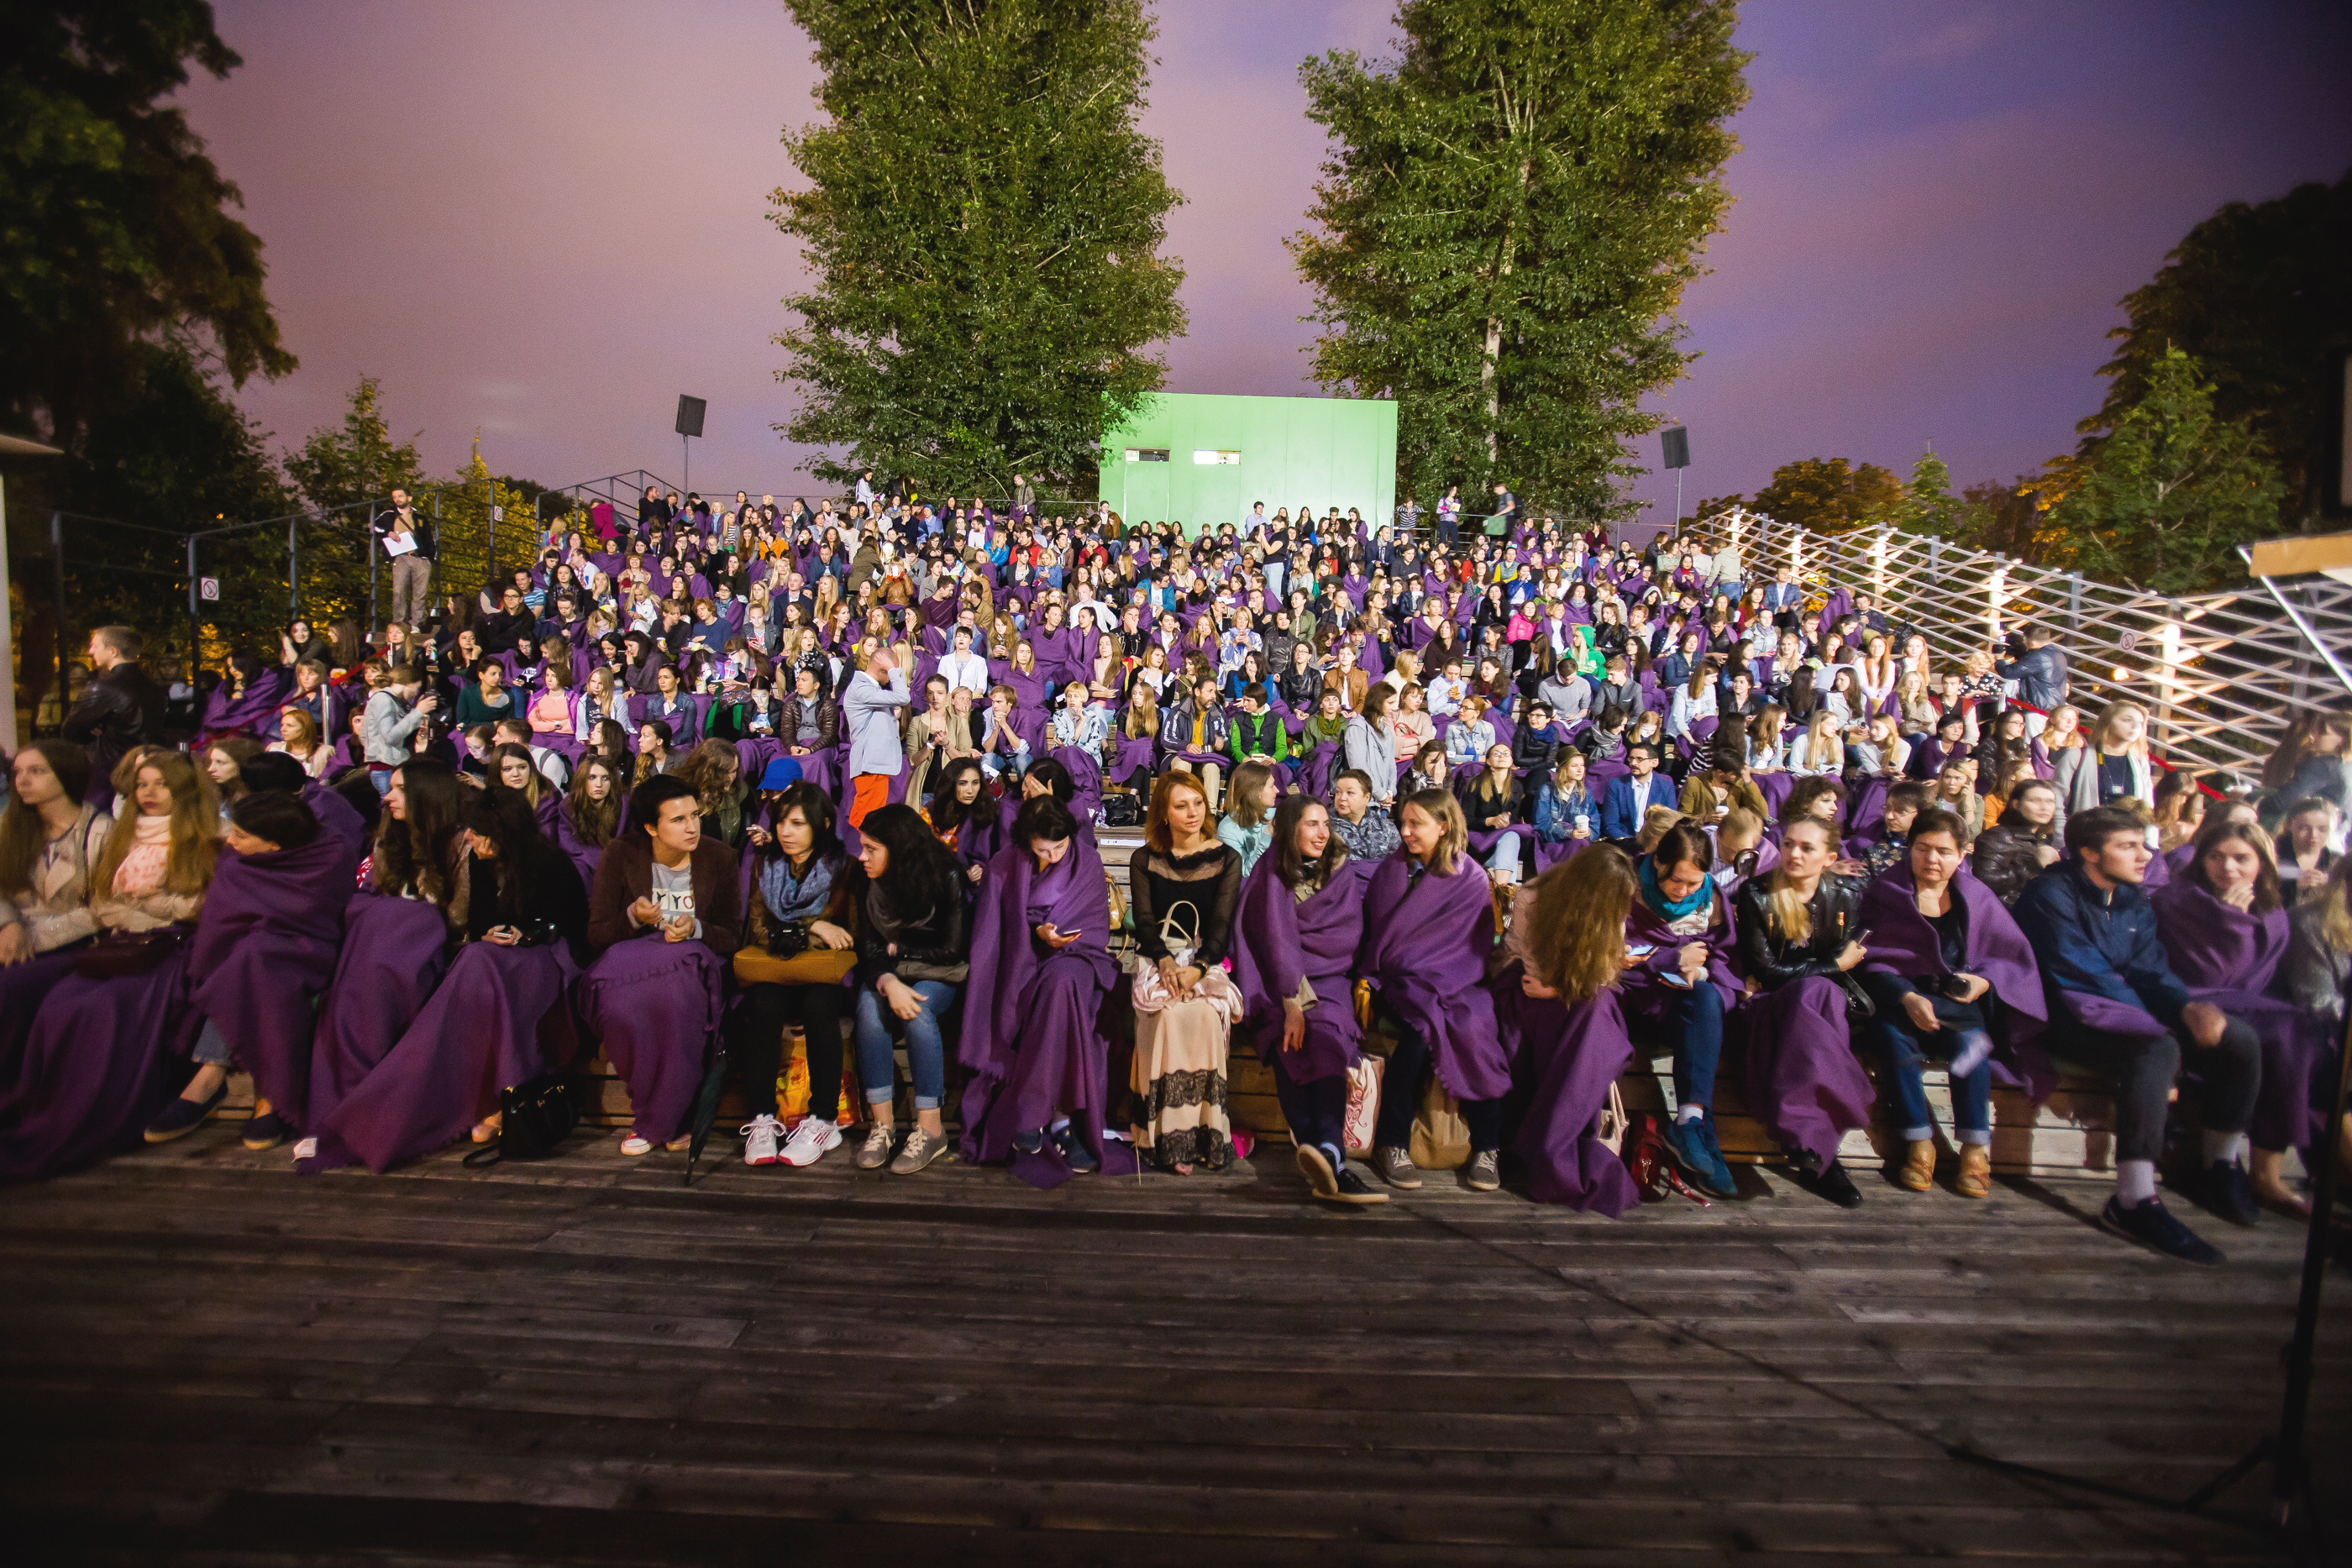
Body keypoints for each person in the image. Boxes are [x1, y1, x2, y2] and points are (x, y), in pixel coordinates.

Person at [2013, 805, 2263, 1264]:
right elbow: (2082, 975)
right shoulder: (2050, 895)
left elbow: (2151, 971)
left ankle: (2219, 1166)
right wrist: (2162, 1024)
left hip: (2122, 1012)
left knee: (2239, 1039)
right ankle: (2133, 1199)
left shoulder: (2131, 899)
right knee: (2156, 1047)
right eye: (2128, 846)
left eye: (2143, 844)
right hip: (2063, 1018)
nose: (2145, 855)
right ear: (2088, 852)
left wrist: (2187, 1007)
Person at [0, 751, 218, 1179]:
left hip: (169, 947)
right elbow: (104, 897)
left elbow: (207, 905)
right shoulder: (125, 834)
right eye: (142, 785)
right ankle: (33, 1107)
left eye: (161, 784)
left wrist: (150, 907)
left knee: (95, 1007)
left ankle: (73, 1119)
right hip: (117, 939)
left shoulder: (209, 835)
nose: (149, 793)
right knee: (60, 1004)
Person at [1858, 809, 2050, 1198]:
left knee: (1972, 1053)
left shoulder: (1976, 896)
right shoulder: (1887, 891)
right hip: (1901, 1000)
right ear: (1909, 848)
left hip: (1957, 1003)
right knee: (1897, 1048)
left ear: (1963, 854)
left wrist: (1983, 981)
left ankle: (1976, 1149)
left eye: (1944, 851)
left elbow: (2006, 954)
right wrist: (1906, 997)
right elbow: (1870, 957)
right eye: (1923, 848)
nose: (1932, 859)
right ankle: (1919, 1142)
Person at [164, 776, 357, 1152]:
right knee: (251, 960)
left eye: (240, 835)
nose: (230, 842)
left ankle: (212, 1075)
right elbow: (223, 917)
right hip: (250, 951)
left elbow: (316, 912)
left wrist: (266, 927)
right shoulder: (238, 861)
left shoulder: (329, 855)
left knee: (254, 959)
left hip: (309, 948)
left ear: (273, 845)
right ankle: (258, 1089)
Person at [2152, 816, 2329, 1219]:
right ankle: (2236, 1167)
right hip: (2192, 1001)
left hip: (2248, 1005)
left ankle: (2269, 1172)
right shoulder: (2177, 901)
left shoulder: (2270, 907)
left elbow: (2260, 979)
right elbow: (2213, 978)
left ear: (2261, 863)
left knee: (2301, 1035)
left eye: (2240, 858)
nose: (2227, 868)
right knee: (2290, 1031)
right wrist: (2227, 921)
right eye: (2216, 856)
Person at [582, 774, 745, 1158]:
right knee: (624, 1007)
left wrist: (697, 928)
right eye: (678, 820)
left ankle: (668, 1118)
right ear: (650, 827)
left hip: (691, 962)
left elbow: (733, 936)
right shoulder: (621, 853)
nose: (692, 827)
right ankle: (657, 1113)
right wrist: (633, 918)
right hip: (632, 963)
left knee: (677, 1003)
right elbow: (597, 933)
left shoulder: (720, 857)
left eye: (695, 815)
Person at [1231, 794, 1382, 1204]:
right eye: (1311, 825)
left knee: (1330, 1039)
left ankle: (1324, 1152)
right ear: (1291, 829)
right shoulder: (1271, 871)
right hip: (1275, 984)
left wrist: (1308, 996)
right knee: (1287, 1039)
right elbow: (1273, 939)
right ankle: (1331, 1159)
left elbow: (1345, 932)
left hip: (1329, 981)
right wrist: (1293, 1003)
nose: (1321, 833)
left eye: (1325, 825)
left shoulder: (1339, 870)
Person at [1360, 789, 1511, 1193]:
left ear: (1443, 827)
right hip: (1402, 979)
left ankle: (1487, 1146)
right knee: (1417, 1034)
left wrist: (1445, 976)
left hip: (1461, 980)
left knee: (1479, 1030)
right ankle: (1391, 1143)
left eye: (1416, 825)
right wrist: (1406, 967)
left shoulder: (1471, 877)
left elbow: (1475, 945)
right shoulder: (1392, 870)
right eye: (1403, 823)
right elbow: (1381, 935)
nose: (1405, 832)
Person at [959, 795, 1119, 1172]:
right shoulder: (1003, 866)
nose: (1052, 857)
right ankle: (1061, 1120)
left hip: (1079, 957)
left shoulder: (1087, 861)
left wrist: (1064, 938)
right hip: (1021, 964)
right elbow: (992, 935)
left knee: (1063, 983)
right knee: (1056, 994)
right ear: (1025, 843)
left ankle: (1033, 1113)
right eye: (1042, 851)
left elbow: (1094, 924)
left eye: (1059, 847)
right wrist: (1036, 931)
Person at [1731, 815, 1874, 1207]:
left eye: (1807, 848)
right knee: (1818, 992)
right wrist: (1832, 967)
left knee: (1820, 996)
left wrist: (1828, 973)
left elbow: (1845, 961)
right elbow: (1767, 972)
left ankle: (1810, 1142)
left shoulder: (1846, 895)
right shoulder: (1758, 893)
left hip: (1819, 1011)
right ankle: (1823, 1155)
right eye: (1789, 843)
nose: (1793, 853)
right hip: (1770, 1006)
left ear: (1829, 858)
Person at [1495, 845, 1642, 1214]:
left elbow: (1605, 974)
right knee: (1575, 1020)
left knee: (1594, 1016)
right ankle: (1548, 1141)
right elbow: (1525, 960)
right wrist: (1555, 988)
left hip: (1575, 992)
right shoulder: (1534, 897)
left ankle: (1561, 1138)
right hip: (1528, 985)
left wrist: (1561, 989)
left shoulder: (1610, 910)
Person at [1126, 774, 1244, 1173]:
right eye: (1181, 805)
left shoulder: (1227, 858)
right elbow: (1143, 920)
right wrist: (1165, 963)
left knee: (1205, 1017)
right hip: (1157, 958)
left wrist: (1196, 968)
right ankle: (1168, 1138)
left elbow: (1222, 926)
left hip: (1203, 961)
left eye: (1198, 803)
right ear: (1163, 813)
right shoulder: (1144, 859)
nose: (1193, 813)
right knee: (1168, 1016)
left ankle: (1202, 1135)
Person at [846, 804, 968, 1174]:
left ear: (897, 849)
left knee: (919, 1011)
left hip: (941, 971)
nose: (861, 856)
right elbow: (867, 947)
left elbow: (953, 949)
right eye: (863, 846)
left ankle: (930, 1129)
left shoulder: (946, 874)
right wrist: (888, 979)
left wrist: (901, 951)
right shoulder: (864, 879)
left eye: (871, 849)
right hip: (889, 971)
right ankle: (882, 1125)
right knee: (869, 1008)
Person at [1623, 821, 1740, 1198]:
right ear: (1658, 863)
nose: (1686, 891)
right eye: (1678, 882)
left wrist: (1700, 969)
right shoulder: (1628, 887)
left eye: (1695, 882)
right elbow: (1613, 952)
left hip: (1680, 1001)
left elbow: (1725, 956)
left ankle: (1690, 1121)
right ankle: (1707, 1149)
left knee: (1707, 997)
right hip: (1632, 999)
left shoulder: (1711, 899)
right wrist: (1671, 958)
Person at [0, 742, 114, 1078]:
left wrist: (32, 937)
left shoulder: (102, 831)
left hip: (72, 943)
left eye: (36, 771)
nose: (22, 780)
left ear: (66, 774)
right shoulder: (11, 826)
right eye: (18, 771)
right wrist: (8, 925)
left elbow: (102, 909)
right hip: (12, 934)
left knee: (9, 989)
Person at [60, 626, 165, 791]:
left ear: (113, 651)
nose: (90, 651)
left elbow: (70, 731)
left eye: (95, 645)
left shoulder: (102, 688)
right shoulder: (153, 687)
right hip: (149, 768)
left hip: (110, 772)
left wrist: (93, 729)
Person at [2050, 700, 2154, 830]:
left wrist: (2150, 844)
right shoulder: (2077, 756)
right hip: (2087, 837)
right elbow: (2058, 801)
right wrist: (2061, 838)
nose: (2135, 727)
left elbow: (2147, 807)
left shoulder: (2140, 761)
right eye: (2127, 720)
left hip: (2127, 839)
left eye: (2140, 722)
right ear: (2108, 722)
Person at [843, 645, 910, 827]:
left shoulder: (871, 690)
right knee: (864, 819)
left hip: (876, 764)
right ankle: (856, 854)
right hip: (870, 764)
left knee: (872, 818)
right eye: (889, 672)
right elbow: (903, 697)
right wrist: (895, 669)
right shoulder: (860, 688)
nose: (891, 678)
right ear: (883, 669)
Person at [1971, 776, 2061, 903]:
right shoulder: (1999, 836)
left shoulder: (2040, 838)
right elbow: (1984, 880)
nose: (2044, 807)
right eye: (2035, 801)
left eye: (2050, 802)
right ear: (2016, 804)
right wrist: (2033, 866)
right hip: (2005, 914)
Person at [372, 487, 437, 632]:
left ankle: (416, 624)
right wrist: (387, 533)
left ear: (409, 498)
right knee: (399, 591)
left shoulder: (420, 518)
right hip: (400, 557)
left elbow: (429, 538)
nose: (397, 499)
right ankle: (399, 623)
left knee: (420, 593)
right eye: (394, 497)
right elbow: (373, 526)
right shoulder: (388, 515)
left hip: (420, 558)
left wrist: (430, 558)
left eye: (400, 496)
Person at [1599, 742, 1671, 842]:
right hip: (1624, 842)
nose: (1633, 763)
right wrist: (1629, 842)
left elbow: (1669, 822)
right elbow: (1610, 824)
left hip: (1654, 843)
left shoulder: (1666, 785)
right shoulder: (1616, 785)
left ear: (1654, 762)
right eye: (1631, 758)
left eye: (1639, 759)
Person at [1216, 758, 1278, 873]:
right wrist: (1266, 837)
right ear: (1257, 792)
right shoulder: (1228, 830)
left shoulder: (1274, 815)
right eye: (1272, 786)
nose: (1277, 790)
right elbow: (1244, 873)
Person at [1328, 768, 1400, 861]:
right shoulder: (1326, 827)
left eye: (1350, 793)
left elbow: (1397, 864)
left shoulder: (1385, 827)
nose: (1342, 798)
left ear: (1366, 798)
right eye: (1338, 792)